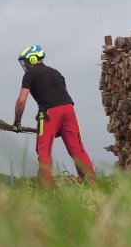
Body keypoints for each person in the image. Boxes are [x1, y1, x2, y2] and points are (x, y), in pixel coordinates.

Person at [12, 44, 96, 186]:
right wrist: (60, 126)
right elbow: (64, 93)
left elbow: (21, 100)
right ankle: (92, 182)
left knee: (44, 150)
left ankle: (46, 187)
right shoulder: (56, 72)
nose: (25, 65)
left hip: (49, 113)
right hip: (69, 110)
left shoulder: (30, 74)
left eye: (26, 61)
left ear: (32, 59)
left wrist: (17, 121)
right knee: (77, 147)